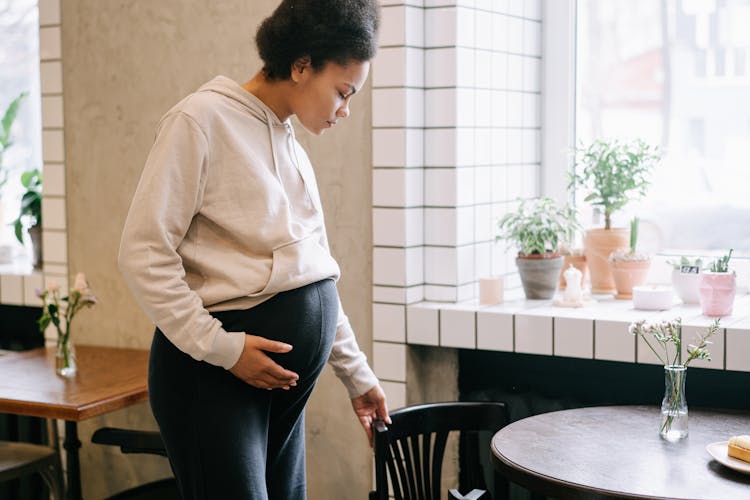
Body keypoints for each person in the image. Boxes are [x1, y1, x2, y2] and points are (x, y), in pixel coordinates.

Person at [118, 1, 390, 498]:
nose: (345, 110)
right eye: (343, 92)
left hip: (276, 388)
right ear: (302, 64)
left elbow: (315, 276)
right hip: (212, 379)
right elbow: (143, 253)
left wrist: (357, 375)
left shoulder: (289, 144)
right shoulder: (200, 120)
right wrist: (223, 348)